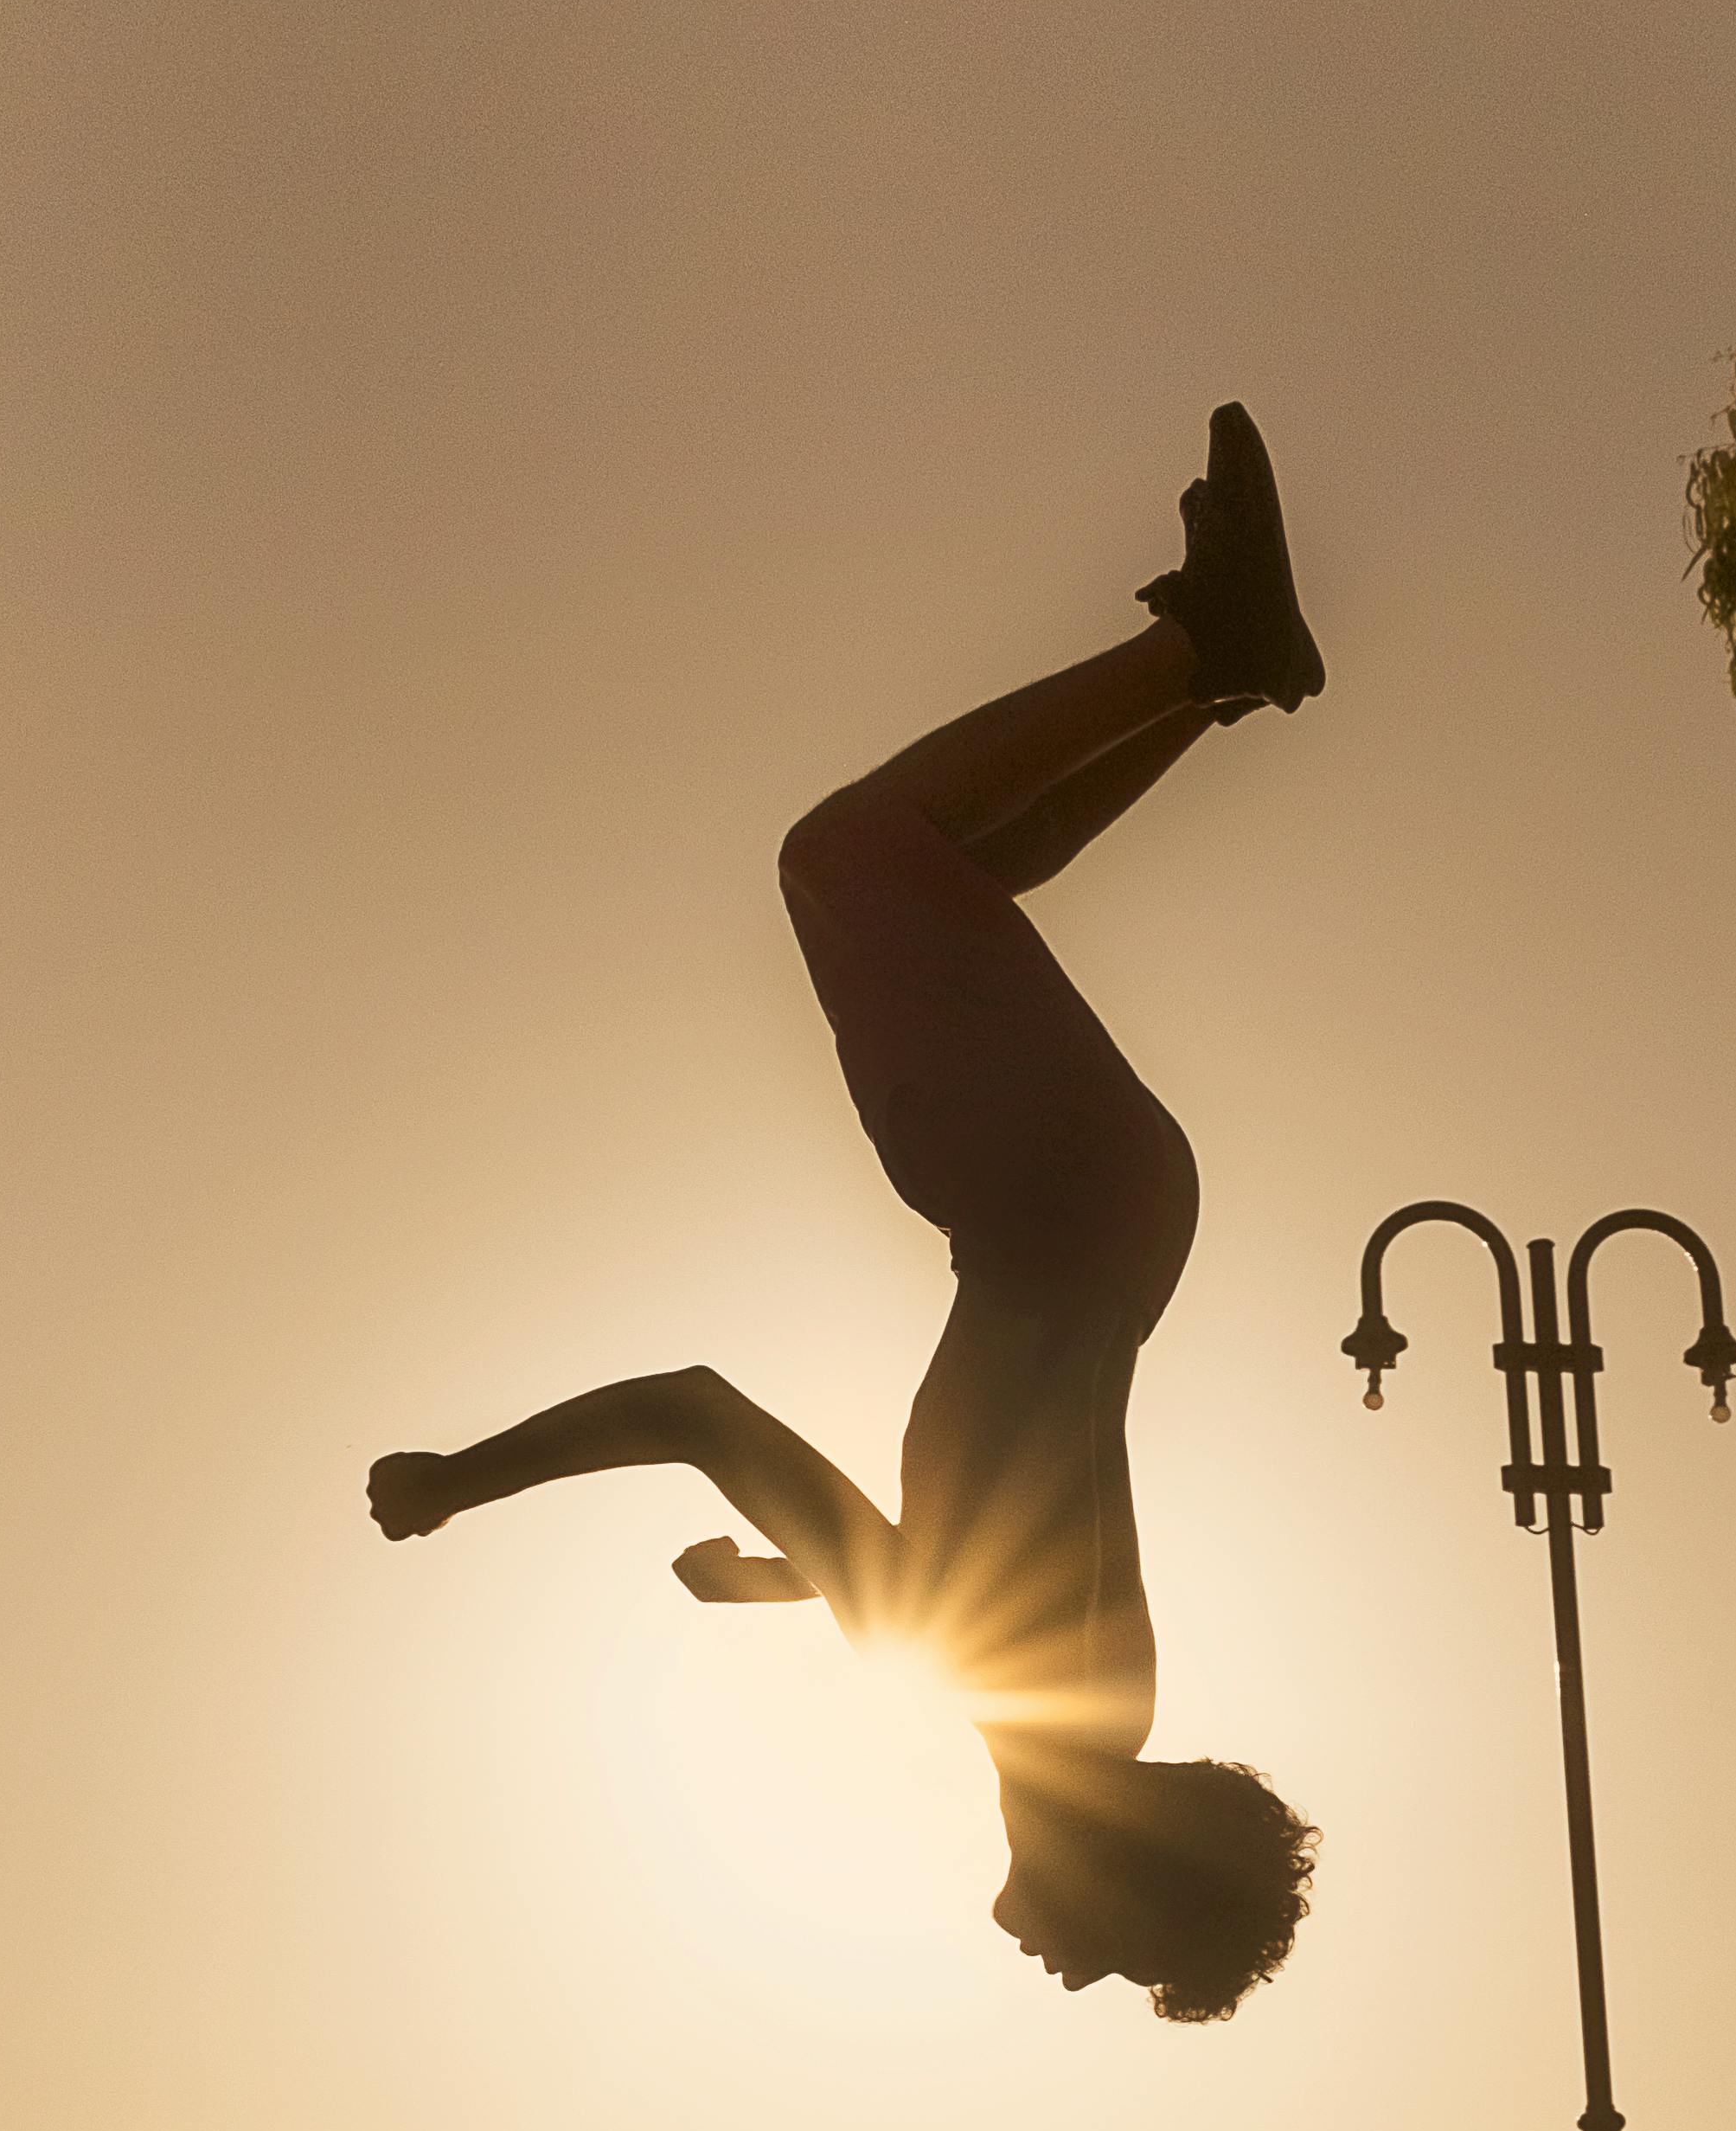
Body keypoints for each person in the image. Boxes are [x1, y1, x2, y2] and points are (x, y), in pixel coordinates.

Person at [368, 406, 1328, 2019]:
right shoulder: (1015, 1687)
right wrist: (467, 1480)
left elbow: (1005, 1518)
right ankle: (1202, 664)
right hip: (1049, 1195)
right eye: (1115, 1951)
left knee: (933, 870)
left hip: (1115, 1216)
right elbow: (698, 1411)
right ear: (1125, 1867)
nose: (1067, 1972)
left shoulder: (1079, 1696)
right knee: (847, 852)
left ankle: (1224, 682)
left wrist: (803, 1586)